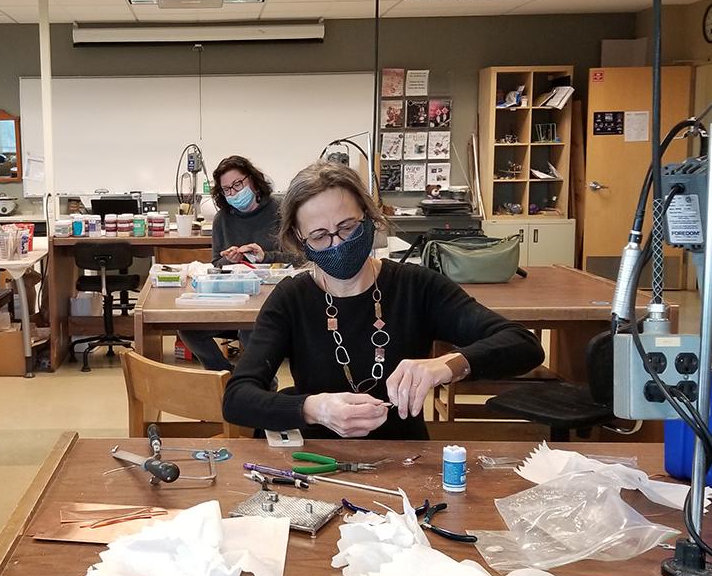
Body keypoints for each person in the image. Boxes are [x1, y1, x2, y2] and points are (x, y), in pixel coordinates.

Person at [222, 161, 545, 440]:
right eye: (320, 236)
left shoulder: (414, 287)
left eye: (348, 227)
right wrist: (312, 409)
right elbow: (238, 398)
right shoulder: (292, 299)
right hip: (320, 463)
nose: (338, 244)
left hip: (406, 457)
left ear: (368, 218)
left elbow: (522, 344)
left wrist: (446, 366)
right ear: (299, 241)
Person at [177, 155, 296, 373]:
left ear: (252, 180)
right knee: (186, 326)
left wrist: (265, 256)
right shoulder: (223, 219)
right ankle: (227, 376)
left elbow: (301, 258)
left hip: (268, 298)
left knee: (251, 329)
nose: (233, 193)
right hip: (232, 295)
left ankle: (260, 382)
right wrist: (228, 260)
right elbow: (216, 263)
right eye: (227, 189)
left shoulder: (281, 212)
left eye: (237, 184)